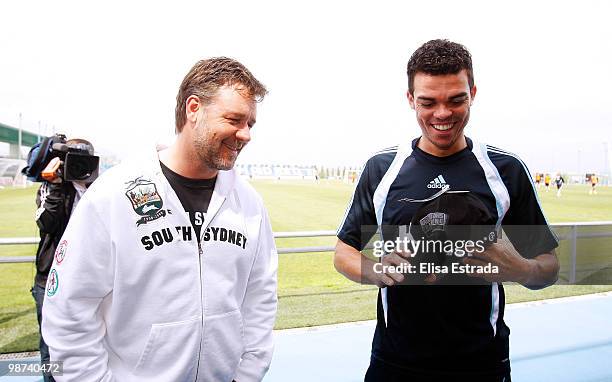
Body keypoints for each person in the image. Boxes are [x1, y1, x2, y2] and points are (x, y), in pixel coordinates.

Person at [334, 39, 560, 381]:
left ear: (473, 93)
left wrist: (522, 270)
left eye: (457, 100)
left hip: (482, 362)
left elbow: (549, 267)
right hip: (395, 362)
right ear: (410, 99)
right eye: (428, 102)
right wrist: (375, 270)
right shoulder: (382, 168)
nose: (442, 114)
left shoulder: (506, 170)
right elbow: (343, 252)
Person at [42, 57, 278, 382]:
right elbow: (70, 310)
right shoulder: (114, 194)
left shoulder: (249, 203)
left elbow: (260, 297)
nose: (246, 134)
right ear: (193, 109)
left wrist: (247, 375)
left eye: (250, 123)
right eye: (234, 119)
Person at [31, 138, 95, 382]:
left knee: (94, 341)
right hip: (50, 281)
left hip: (89, 279)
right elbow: (46, 223)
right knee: (51, 349)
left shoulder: (99, 189)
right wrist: (56, 186)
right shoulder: (51, 188)